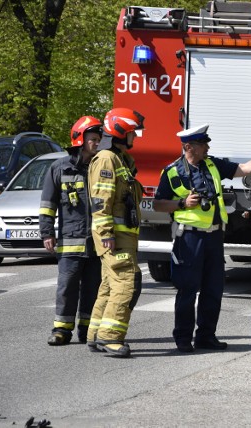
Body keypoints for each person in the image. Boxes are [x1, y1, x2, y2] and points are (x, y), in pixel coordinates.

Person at [153, 124, 251, 353]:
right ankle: (183, 338)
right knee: (187, 289)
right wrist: (182, 203)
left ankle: (206, 336)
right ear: (188, 147)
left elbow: (244, 169)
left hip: (214, 236)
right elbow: (157, 204)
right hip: (189, 238)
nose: (207, 147)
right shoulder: (172, 171)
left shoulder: (213, 164)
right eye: (203, 143)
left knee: (213, 289)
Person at [86, 107, 145, 358]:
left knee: (110, 285)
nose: (135, 137)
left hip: (121, 236)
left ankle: (95, 334)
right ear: (121, 131)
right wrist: (107, 233)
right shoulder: (107, 160)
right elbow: (101, 201)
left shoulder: (119, 159)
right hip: (114, 237)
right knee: (125, 284)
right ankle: (111, 338)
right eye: (133, 132)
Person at [40, 116, 103, 346]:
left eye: (98, 139)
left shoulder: (100, 167)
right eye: (92, 139)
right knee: (66, 287)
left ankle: (87, 329)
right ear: (80, 139)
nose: (96, 143)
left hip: (96, 241)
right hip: (70, 240)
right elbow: (48, 203)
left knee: (92, 288)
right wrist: (47, 232)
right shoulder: (60, 168)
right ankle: (61, 330)